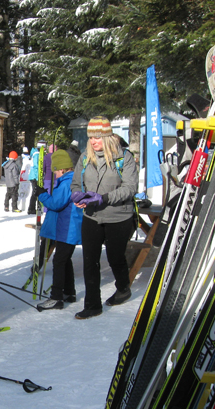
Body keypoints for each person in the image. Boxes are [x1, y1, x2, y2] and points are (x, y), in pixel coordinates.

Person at [70, 116, 138, 319]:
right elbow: (75, 183)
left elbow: (130, 187)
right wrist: (76, 195)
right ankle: (92, 305)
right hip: (91, 216)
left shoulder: (123, 157)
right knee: (90, 261)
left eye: (98, 137)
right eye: (91, 137)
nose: (93, 141)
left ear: (107, 136)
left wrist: (105, 198)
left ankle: (123, 288)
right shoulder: (84, 158)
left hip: (118, 216)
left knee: (115, 257)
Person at [34, 151, 83, 310]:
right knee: (65, 259)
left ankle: (56, 297)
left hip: (68, 228)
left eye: (55, 170)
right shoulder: (71, 180)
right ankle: (69, 292)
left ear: (61, 168)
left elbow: (56, 204)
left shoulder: (67, 182)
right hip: (68, 227)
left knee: (59, 260)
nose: (54, 173)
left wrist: (42, 195)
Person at [27, 146, 40, 214]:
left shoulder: (35, 154)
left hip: (33, 176)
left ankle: (32, 208)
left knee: (35, 192)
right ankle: (31, 208)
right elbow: (36, 166)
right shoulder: (37, 155)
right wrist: (37, 177)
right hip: (34, 176)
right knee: (35, 192)